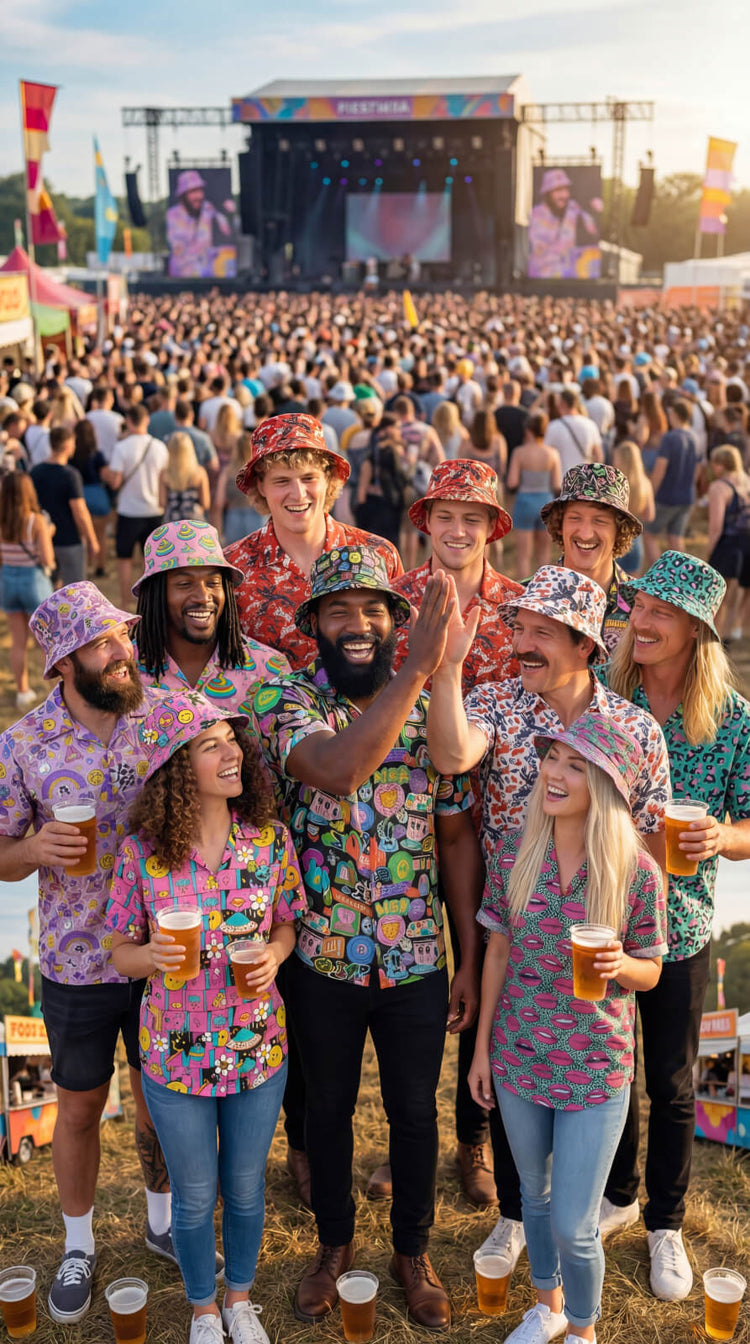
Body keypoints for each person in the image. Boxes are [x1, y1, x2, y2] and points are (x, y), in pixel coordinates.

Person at [253, 549, 483, 1331]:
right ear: (313, 623)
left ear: (396, 620)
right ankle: (334, 1246)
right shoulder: (289, 699)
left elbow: (456, 842)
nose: (358, 624)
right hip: (321, 956)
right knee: (328, 1109)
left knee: (417, 1113)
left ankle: (411, 1253)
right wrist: (418, 669)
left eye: (375, 609)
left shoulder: (434, 709)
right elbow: (341, 770)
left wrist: (468, 960)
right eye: (339, 610)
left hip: (418, 956)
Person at [425, 566, 669, 1281]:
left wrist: (632, 930)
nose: (522, 643)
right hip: (515, 922)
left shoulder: (632, 728)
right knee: (508, 1081)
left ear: (585, 643)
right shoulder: (497, 701)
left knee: (599, 1074)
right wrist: (447, 670)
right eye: (518, 628)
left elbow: (651, 837)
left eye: (540, 632)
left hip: (601, 932)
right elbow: (449, 755)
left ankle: (589, 1217)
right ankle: (515, 1217)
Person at [0, 584, 177, 1325]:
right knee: (76, 1107)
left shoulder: (164, 716)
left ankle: (165, 1222)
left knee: (162, 1101)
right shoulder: (23, 742)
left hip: (163, 947)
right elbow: (2, 854)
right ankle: (77, 1244)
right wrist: (33, 848)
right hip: (75, 960)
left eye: (123, 637)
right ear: (65, 664)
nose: (123, 652)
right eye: (104, 643)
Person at [107, 689, 307, 1344]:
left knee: (246, 1190)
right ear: (173, 767)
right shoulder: (142, 854)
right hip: (172, 1053)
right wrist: (151, 955)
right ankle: (201, 1309)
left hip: (257, 1047)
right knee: (194, 1197)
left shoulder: (271, 842)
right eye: (209, 745)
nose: (232, 754)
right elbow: (117, 951)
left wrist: (276, 957)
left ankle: (240, 1302)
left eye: (231, 740)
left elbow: (286, 925)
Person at [469, 715, 666, 1344]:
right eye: (553, 758)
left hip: (597, 1065)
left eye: (575, 765)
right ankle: (547, 1307)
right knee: (535, 1196)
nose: (554, 773)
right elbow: (496, 952)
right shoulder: (512, 854)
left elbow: (652, 970)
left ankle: (582, 1331)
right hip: (518, 1054)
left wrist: (623, 965)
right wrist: (479, 1055)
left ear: (606, 785)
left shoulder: (636, 871)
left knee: (577, 1224)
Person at [600, 552, 750, 1298]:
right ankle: (620, 1198)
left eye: (660, 612)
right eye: (639, 607)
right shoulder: (603, 693)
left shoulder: (732, 720)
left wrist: (721, 836)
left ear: (696, 630)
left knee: (672, 1079)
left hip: (682, 923)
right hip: (600, 917)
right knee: (612, 1068)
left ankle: (666, 1222)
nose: (642, 621)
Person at [388, 461, 520, 1208]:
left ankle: (474, 1140)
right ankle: (410, 1140)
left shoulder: (517, 608)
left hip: (493, 821)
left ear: (493, 528)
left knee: (487, 981)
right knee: (411, 991)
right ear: (426, 521)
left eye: (474, 518)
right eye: (446, 516)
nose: (458, 530)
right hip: (404, 816)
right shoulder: (397, 602)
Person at [225, 413, 402, 671]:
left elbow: (401, 652)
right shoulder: (232, 569)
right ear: (261, 486)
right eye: (282, 481)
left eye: (309, 478)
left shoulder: (379, 555)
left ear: (328, 479)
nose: (298, 493)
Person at [133, 518, 289, 715]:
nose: (203, 597)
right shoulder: (123, 671)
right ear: (155, 595)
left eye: (213, 583)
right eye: (184, 584)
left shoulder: (268, 669)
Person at [540, 464, 643, 655]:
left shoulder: (642, 606)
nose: (586, 534)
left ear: (619, 531)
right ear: (560, 525)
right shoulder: (526, 599)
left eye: (600, 521)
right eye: (575, 518)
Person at [103, 403, 168, 611]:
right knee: (150, 562)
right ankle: (147, 603)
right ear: (147, 420)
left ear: (128, 422)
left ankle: (124, 602)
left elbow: (115, 482)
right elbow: (163, 480)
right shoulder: (160, 447)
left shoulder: (122, 448)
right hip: (154, 510)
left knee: (124, 559)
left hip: (128, 511)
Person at [0, 471, 55, 707]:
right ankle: (55, 693)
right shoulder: (36, 520)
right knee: (48, 642)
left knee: (18, 641)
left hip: (8, 580)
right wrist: (49, 534)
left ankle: (23, 690)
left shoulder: (2, 519)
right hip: (33, 580)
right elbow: (47, 558)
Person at [31, 425, 100, 586]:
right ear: (68, 445)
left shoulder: (35, 472)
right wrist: (92, 540)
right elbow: (80, 511)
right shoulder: (70, 475)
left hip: (43, 540)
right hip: (70, 540)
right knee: (74, 591)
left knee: (48, 591)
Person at [506, 411, 561, 581]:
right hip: (545, 501)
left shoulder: (520, 452)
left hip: (525, 501)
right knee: (543, 553)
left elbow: (512, 482)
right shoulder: (552, 453)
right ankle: (542, 589)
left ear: (528, 430)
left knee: (523, 555)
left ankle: (523, 589)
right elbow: (557, 484)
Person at [644, 399, 698, 566]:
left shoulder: (670, 438)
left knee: (649, 535)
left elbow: (660, 468)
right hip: (686, 495)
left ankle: (660, 578)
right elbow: (698, 468)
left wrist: (650, 493)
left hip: (666, 496)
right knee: (676, 538)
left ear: (675, 415)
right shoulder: (694, 437)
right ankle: (680, 579)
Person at [706, 444, 750, 641]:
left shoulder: (718, 488)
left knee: (717, 597)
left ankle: (713, 637)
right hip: (746, 544)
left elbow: (716, 527)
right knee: (735, 595)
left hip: (728, 546)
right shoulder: (746, 482)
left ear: (721, 465)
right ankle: (731, 634)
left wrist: (709, 553)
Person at [528, 169, 601, 280]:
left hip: (569, 278)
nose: (564, 195)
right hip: (543, 276)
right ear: (547, 193)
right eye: (558, 190)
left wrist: (593, 210)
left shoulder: (571, 209)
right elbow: (542, 251)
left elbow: (593, 231)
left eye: (566, 190)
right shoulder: (536, 215)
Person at [166, 170, 235, 279]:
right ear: (184, 194)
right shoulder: (173, 215)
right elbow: (179, 247)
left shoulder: (207, 209)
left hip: (208, 274)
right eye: (193, 191)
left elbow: (227, 230)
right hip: (183, 274)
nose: (199, 196)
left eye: (200, 191)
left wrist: (227, 212)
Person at [355, 417, 410, 552]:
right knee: (391, 548)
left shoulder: (374, 453)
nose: (399, 431)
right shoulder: (392, 452)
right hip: (390, 505)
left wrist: (361, 509)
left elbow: (362, 486)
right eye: (397, 427)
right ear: (388, 429)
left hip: (376, 505)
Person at [72, 419, 110, 575]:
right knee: (100, 536)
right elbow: (105, 474)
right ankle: (100, 566)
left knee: (82, 535)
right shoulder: (97, 454)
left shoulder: (72, 454)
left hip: (78, 495)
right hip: (97, 494)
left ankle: (84, 567)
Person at [215, 431, 266, 544]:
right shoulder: (259, 470)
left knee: (235, 558)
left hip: (234, 517)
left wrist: (219, 530)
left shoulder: (227, 472)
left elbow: (219, 502)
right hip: (257, 516)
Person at [612, 441, 655, 576]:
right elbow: (650, 515)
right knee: (631, 588)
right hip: (635, 539)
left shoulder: (614, 483)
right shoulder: (645, 483)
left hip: (615, 536)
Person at [545, 388, 603, 476]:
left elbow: (547, 455)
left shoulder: (553, 426)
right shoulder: (590, 425)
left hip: (563, 480)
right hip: (585, 480)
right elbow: (599, 457)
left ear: (562, 404)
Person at [159, 431, 210, 523]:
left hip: (172, 522)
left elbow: (162, 503)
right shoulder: (199, 472)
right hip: (194, 521)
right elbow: (206, 503)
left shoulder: (164, 473)